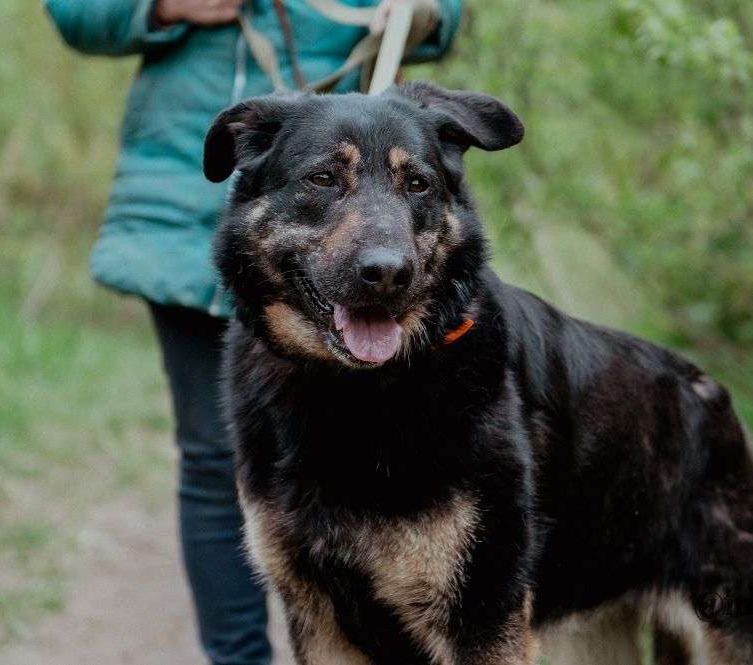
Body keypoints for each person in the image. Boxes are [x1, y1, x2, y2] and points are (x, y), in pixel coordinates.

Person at [44, 1, 462, 663]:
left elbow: (443, 14)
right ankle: (238, 658)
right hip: (182, 194)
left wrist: (424, 15)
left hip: (362, 185)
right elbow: (77, 13)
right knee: (218, 460)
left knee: (378, 463)